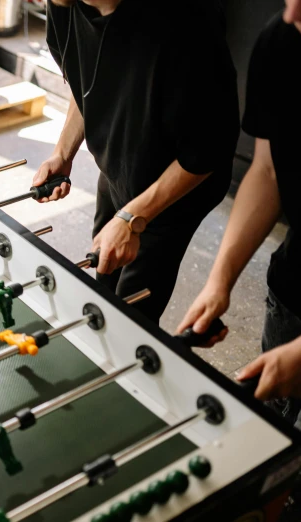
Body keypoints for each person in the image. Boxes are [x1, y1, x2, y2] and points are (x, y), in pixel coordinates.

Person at [33, 0, 240, 322]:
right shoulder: (66, 4)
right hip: (120, 166)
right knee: (104, 276)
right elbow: (86, 78)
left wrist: (134, 218)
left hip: (175, 188)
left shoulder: (188, 24)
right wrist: (63, 152)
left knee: (130, 315)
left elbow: (207, 150)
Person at [178, 0, 301, 421]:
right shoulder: (282, 41)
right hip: (294, 292)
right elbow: (267, 172)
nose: (293, 13)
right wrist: (219, 281)